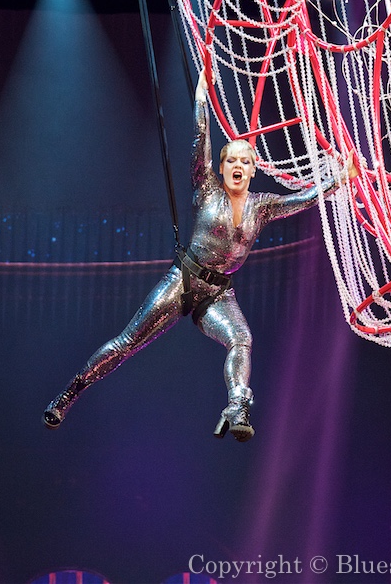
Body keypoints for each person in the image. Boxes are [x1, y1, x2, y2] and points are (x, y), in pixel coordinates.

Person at [43, 73, 354, 441]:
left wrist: (339, 178)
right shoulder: (206, 189)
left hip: (219, 294)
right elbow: (200, 140)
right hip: (183, 280)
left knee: (242, 338)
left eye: (245, 161)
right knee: (127, 343)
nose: (237, 166)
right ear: (222, 168)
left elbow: (303, 199)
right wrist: (202, 97)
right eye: (231, 160)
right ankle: (70, 393)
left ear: (253, 169)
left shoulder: (263, 206)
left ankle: (237, 405)